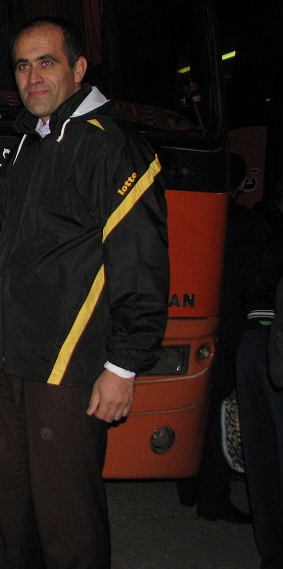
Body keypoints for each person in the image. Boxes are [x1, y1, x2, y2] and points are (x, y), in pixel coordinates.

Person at [0, 17, 169, 568]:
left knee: (68, 521)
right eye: (23, 66)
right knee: (13, 507)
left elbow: (140, 264)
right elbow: (0, 249)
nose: (33, 77)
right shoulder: (31, 143)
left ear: (78, 68)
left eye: (46, 62)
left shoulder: (112, 147)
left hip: (70, 370)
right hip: (16, 362)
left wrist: (123, 367)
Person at [175, 153, 255, 522]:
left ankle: (188, 483)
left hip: (196, 314)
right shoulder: (247, 223)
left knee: (197, 403)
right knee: (221, 411)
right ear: (240, 185)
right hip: (229, 323)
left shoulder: (194, 215)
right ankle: (213, 495)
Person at [235, 196, 283, 567]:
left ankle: (272, 553)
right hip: (268, 339)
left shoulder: (258, 224)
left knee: (262, 457)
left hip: (252, 334)